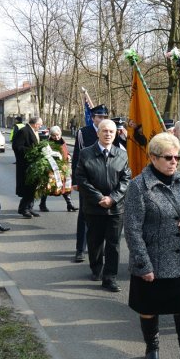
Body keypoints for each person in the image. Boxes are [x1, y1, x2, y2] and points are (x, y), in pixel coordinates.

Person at [124, 132, 180, 359]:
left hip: (179, 258)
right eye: (168, 157)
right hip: (151, 260)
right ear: (153, 158)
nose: (174, 162)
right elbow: (131, 229)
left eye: (177, 157)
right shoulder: (138, 187)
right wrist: (144, 265)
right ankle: (152, 348)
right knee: (149, 308)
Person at [75, 119, 131, 292]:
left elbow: (126, 179)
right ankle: (96, 268)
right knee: (95, 241)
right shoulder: (86, 154)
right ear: (98, 132)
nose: (108, 134)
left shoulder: (122, 155)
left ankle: (110, 277)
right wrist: (99, 197)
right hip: (94, 207)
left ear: (116, 134)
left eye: (111, 132)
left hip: (115, 208)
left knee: (113, 244)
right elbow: (81, 179)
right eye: (104, 131)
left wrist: (112, 198)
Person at [71, 104, 121, 263]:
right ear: (93, 118)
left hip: (108, 182)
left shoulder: (112, 132)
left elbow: (118, 152)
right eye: (99, 117)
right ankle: (80, 249)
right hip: (88, 182)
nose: (102, 120)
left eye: (105, 117)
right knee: (84, 216)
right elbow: (77, 157)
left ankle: (102, 249)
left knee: (106, 217)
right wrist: (75, 181)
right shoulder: (83, 132)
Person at [37, 126, 78, 212]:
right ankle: (42, 204)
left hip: (64, 168)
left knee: (66, 186)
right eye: (54, 135)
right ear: (51, 135)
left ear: (60, 134)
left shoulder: (63, 141)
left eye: (58, 135)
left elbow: (65, 152)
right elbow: (47, 155)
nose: (56, 137)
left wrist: (69, 156)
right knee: (49, 187)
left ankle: (69, 204)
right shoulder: (48, 144)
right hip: (53, 169)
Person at [12, 116, 43, 218]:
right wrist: (31, 151)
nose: (40, 126)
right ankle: (24, 209)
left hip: (33, 164)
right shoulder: (24, 131)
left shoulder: (33, 131)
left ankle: (29, 207)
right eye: (40, 124)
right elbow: (17, 146)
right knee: (28, 187)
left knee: (33, 187)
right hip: (25, 165)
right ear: (35, 123)